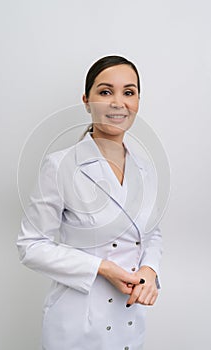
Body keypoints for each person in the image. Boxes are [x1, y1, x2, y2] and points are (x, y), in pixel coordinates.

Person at [17, 55, 163, 350]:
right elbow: (30, 245)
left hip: (130, 321)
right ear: (86, 100)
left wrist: (150, 270)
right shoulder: (60, 166)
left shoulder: (146, 169)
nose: (118, 103)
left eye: (129, 92)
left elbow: (151, 233)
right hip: (77, 325)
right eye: (105, 92)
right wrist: (102, 268)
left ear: (138, 101)